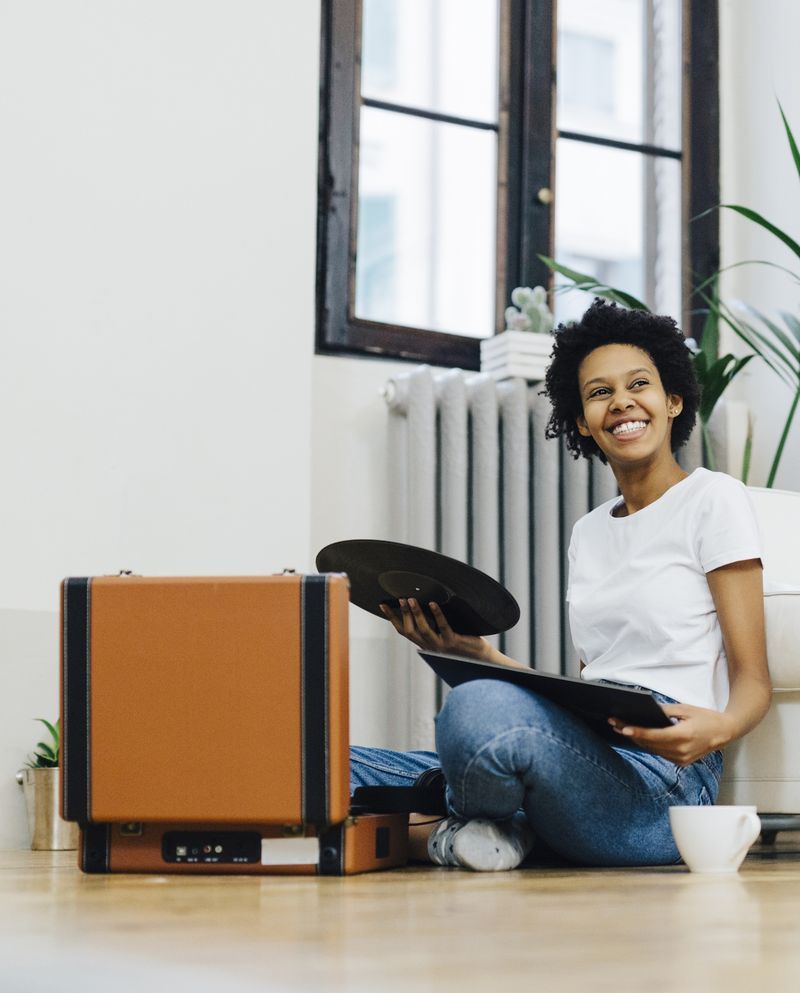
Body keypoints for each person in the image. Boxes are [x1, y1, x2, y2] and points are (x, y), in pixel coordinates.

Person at [350, 299, 772, 870]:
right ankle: (484, 830)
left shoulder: (713, 498)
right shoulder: (589, 532)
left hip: (663, 779)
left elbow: (754, 684)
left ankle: (446, 827)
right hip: (587, 748)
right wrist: (473, 652)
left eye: (639, 384)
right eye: (599, 393)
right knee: (327, 759)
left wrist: (716, 729)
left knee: (476, 711)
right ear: (581, 420)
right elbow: (579, 696)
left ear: (673, 401)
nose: (621, 401)